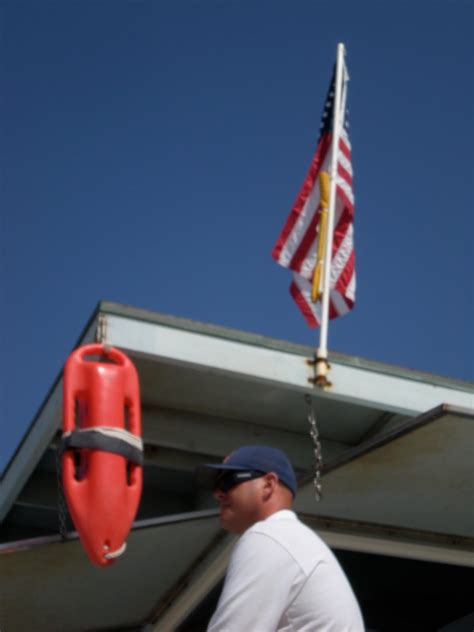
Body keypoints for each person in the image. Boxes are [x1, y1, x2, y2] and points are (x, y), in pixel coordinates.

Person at [196, 445, 364, 632]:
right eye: (217, 486)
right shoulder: (290, 537)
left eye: (228, 482)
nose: (217, 493)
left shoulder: (269, 537)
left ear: (268, 484)